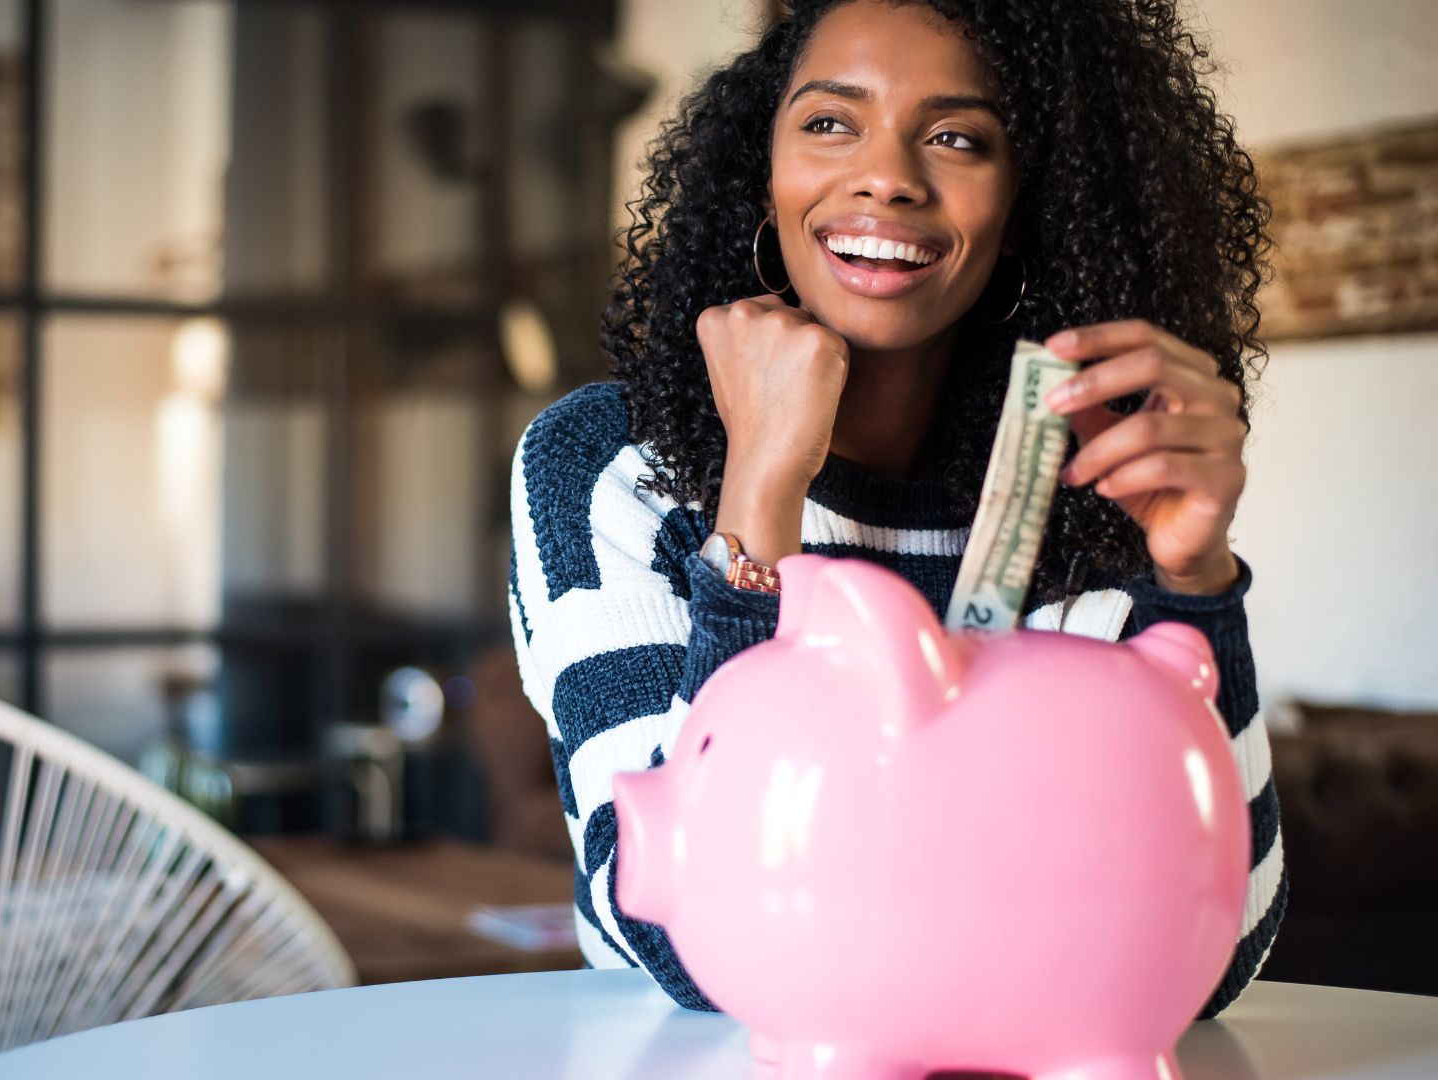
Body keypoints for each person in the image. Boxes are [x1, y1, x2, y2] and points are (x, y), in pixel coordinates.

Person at [506, 0, 1284, 1020]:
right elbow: (681, 940)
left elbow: (1208, 959)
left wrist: (1193, 584)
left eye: (959, 137)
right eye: (830, 121)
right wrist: (760, 489)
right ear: (762, 169)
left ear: (1025, 205)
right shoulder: (611, 465)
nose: (887, 176)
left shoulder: (1092, 481)